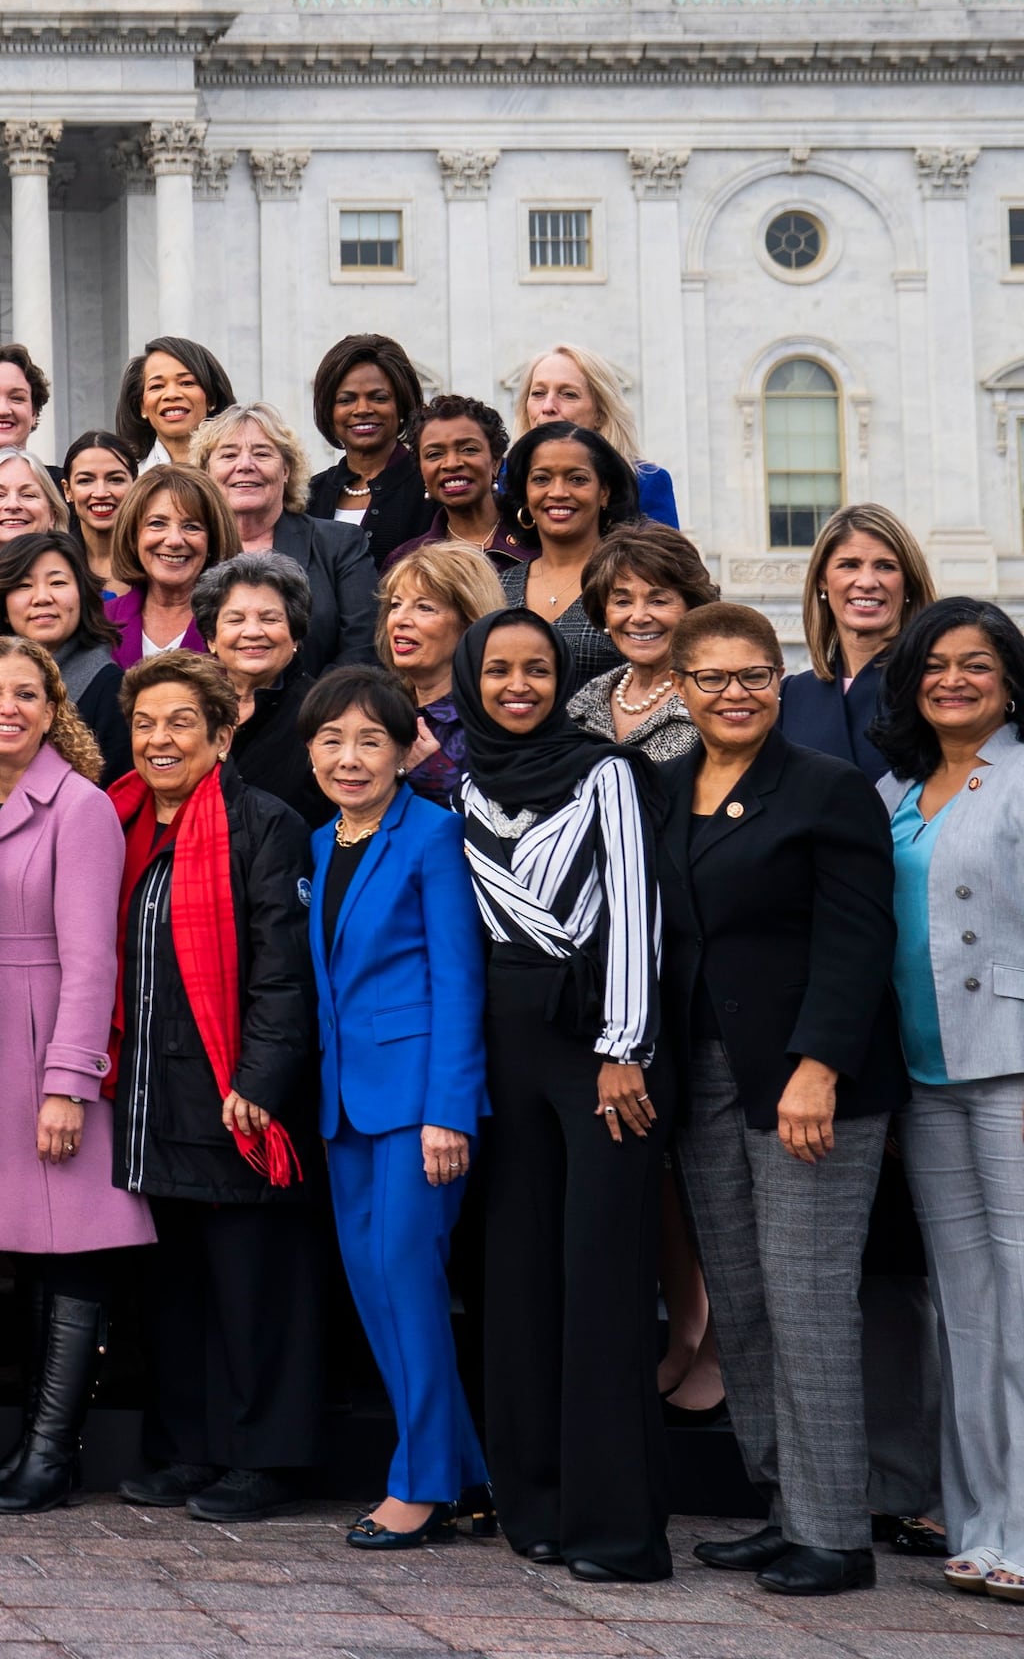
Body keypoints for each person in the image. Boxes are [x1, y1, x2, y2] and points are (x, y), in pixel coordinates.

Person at [651, 601, 901, 1598]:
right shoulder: (661, 788)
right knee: (742, 1304)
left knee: (806, 1300)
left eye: (753, 673)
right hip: (704, 1074)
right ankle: (785, 1506)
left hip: (808, 1080)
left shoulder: (830, 791)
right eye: (711, 677)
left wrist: (819, 1066)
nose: (735, 692)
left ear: (779, 674)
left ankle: (838, 1533)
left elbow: (857, 941)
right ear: (680, 688)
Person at [454, 609, 672, 1583]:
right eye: (497, 669)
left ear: (560, 678)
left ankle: (617, 1527)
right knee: (519, 1277)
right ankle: (532, 1505)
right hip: (503, 1046)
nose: (515, 685)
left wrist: (627, 1047)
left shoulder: (607, 771)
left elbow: (634, 910)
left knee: (603, 1282)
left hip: (598, 1046)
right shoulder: (462, 784)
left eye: (535, 669)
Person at [101, 650, 325, 1527]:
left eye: (181, 723)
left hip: (235, 1097)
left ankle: (262, 1457)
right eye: (147, 723)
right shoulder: (118, 820)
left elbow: (283, 971)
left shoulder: (261, 824)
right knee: (179, 1289)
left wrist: (261, 1080)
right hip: (153, 1098)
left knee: (255, 1286)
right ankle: (189, 1445)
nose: (160, 740)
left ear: (223, 733)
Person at [0, 634, 145, 1514]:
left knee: (73, 1256)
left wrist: (69, 1080)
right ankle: (28, 1448)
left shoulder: (81, 806)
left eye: (26, 694)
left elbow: (94, 960)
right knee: (21, 1255)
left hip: (47, 1044)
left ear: (54, 709)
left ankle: (54, 1456)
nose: (6, 708)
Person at [298, 665, 490, 1551]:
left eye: (370, 739)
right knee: (375, 1287)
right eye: (332, 739)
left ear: (408, 749)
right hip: (345, 1103)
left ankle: (419, 1484)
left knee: (407, 1286)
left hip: (419, 1106)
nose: (349, 756)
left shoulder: (433, 837)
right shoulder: (318, 842)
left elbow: (459, 982)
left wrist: (450, 1110)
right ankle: (470, 1473)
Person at [873, 598, 1024, 1595]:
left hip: (1013, 1060)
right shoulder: (893, 786)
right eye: (936, 664)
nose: (954, 680)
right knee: (962, 1311)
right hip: (924, 1078)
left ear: (1010, 679)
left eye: (976, 664)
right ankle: (980, 1521)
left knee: (1020, 1304)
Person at [200, 402, 379, 674]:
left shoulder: (339, 545)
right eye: (228, 455)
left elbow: (363, 649)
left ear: (286, 470)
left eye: (262, 454)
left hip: (322, 710)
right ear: (206, 473)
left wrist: (309, 710)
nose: (245, 465)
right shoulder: (191, 549)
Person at [788, 504, 936, 768]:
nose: (867, 582)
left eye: (886, 567)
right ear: (822, 579)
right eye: (849, 565)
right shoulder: (791, 696)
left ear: (909, 583)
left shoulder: (937, 686)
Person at [497, 421, 642, 675]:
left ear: (604, 492)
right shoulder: (498, 587)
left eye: (577, 479)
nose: (558, 492)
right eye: (541, 479)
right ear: (526, 494)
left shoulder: (636, 579)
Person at [0, 529, 125, 763]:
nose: (42, 597)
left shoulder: (109, 686)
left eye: (57, 582)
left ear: (82, 596)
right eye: (24, 585)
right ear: (3, 606)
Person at [200, 550, 326, 828]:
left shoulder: (324, 713)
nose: (253, 631)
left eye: (270, 619)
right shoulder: (192, 705)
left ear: (295, 634)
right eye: (235, 620)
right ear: (211, 637)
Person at [575, 526, 716, 765]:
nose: (638, 617)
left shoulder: (714, 700)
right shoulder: (584, 702)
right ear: (604, 613)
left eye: (658, 601)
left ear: (692, 608)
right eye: (622, 601)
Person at [380, 544, 504, 802]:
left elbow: (503, 824)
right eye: (395, 604)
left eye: (425, 607)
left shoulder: (493, 719)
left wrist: (432, 771)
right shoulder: (377, 706)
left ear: (470, 623)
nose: (400, 619)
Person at [516, 345, 679, 531]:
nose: (547, 406)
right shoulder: (503, 482)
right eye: (538, 393)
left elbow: (666, 558)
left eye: (568, 394)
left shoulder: (645, 482)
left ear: (601, 413)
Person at [308, 336, 434, 553]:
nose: (362, 409)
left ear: (401, 405)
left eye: (379, 398)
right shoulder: (309, 496)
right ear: (328, 411)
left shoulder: (430, 487)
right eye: (346, 400)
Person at [102, 465, 230, 667]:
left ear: (212, 541)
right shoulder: (102, 622)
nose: (174, 541)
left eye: (191, 527)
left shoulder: (234, 623)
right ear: (133, 536)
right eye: (157, 524)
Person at [384, 395, 523, 568]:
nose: (452, 464)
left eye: (468, 449)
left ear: (495, 462)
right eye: (434, 454)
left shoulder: (538, 540)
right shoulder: (405, 562)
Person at [117, 336, 235, 471]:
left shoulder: (237, 476)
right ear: (142, 406)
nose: (171, 394)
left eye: (187, 383)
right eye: (157, 386)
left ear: (211, 398)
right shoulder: (129, 482)